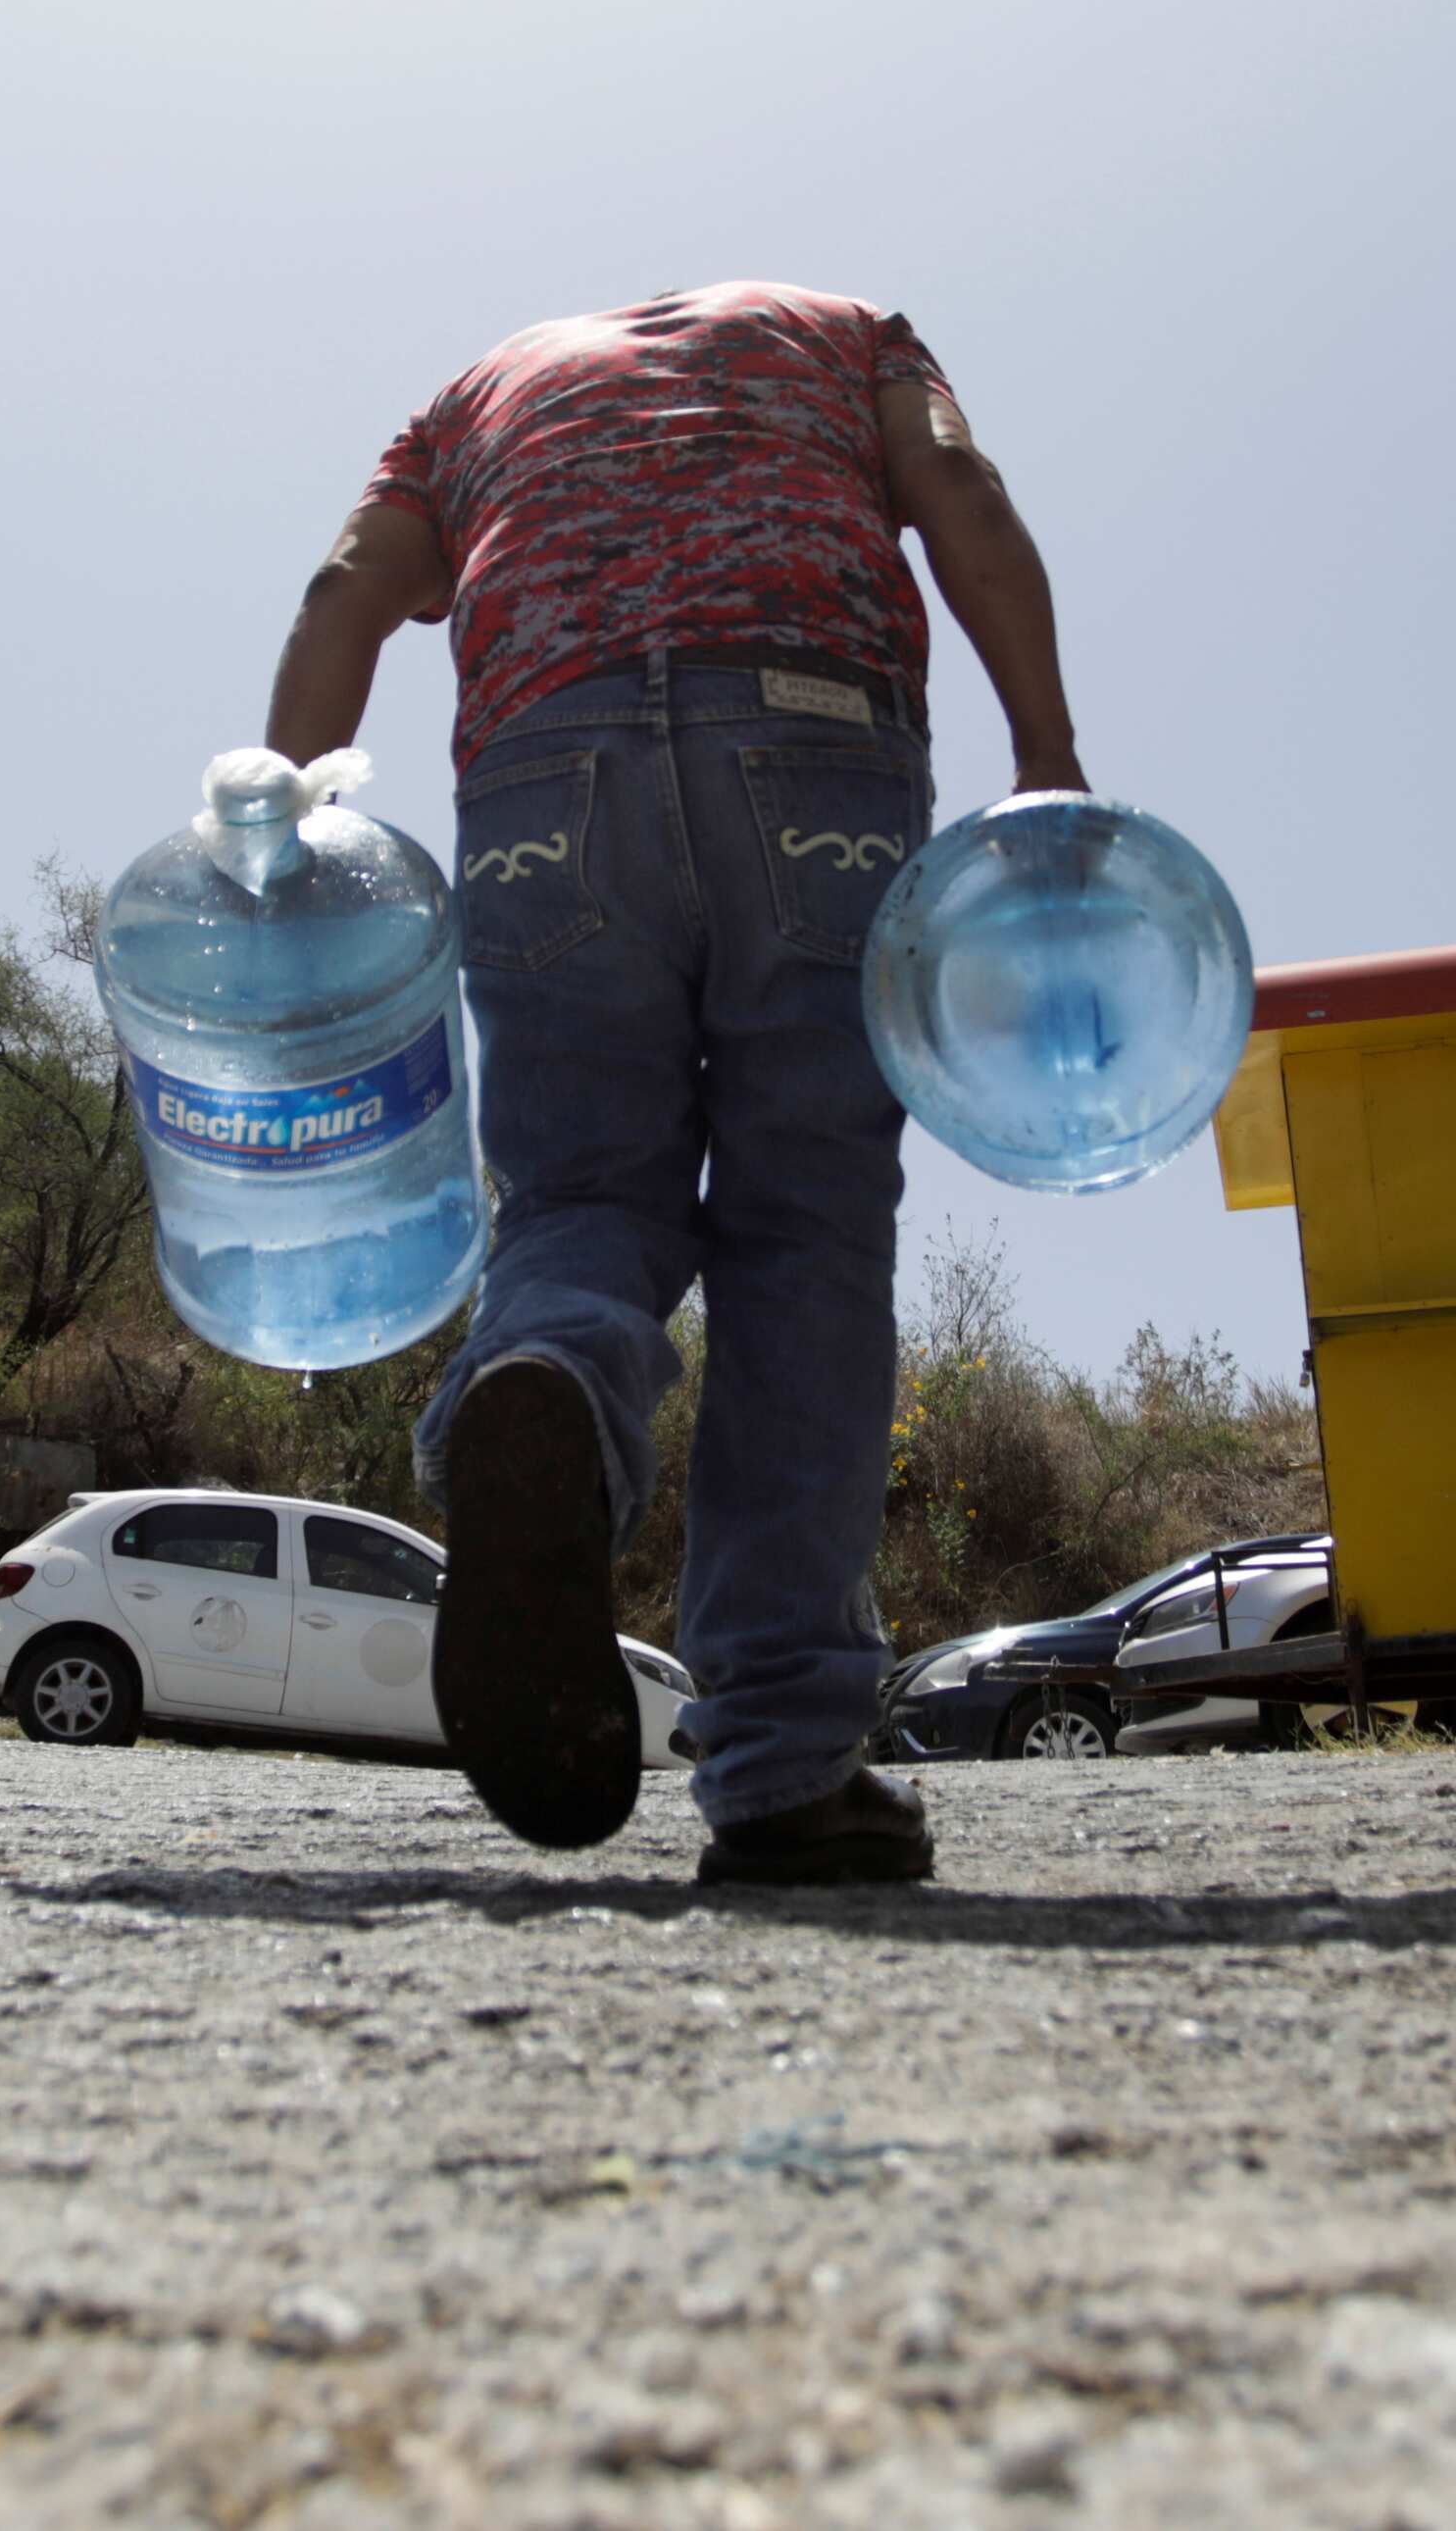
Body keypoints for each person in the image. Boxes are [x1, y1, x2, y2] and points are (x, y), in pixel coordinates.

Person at [262, 281, 1086, 1885]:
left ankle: (555, 1394)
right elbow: (964, 493)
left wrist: (277, 844)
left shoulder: (466, 405)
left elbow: (344, 587)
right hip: (817, 746)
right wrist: (1047, 755)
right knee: (807, 1225)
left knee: (582, 1197)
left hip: (541, 780)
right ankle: (783, 1763)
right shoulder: (856, 336)